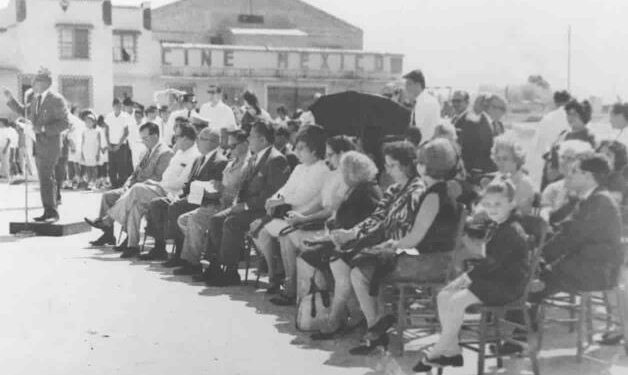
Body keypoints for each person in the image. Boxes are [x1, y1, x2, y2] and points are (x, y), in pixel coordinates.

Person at [345, 140, 461, 355]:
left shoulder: (433, 196)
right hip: (439, 261)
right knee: (374, 263)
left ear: (423, 166)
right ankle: (381, 322)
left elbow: (414, 237)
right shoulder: (443, 191)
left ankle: (377, 326)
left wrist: (391, 244)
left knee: (362, 271)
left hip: (431, 265)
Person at [413, 179, 529, 372]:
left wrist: (463, 280)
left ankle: (436, 352)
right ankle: (452, 352)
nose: (492, 209)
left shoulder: (511, 230)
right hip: (493, 280)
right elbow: (487, 265)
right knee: (444, 295)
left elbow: (490, 265)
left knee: (457, 300)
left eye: (498, 204)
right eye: (489, 204)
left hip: (507, 287)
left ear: (511, 203)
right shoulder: (499, 225)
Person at [298, 150, 382, 339]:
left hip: (357, 245)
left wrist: (331, 237)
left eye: (344, 171)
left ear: (353, 173)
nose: (342, 175)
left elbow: (359, 225)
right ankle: (350, 313)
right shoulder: (359, 188)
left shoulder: (366, 192)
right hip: (346, 241)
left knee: (337, 267)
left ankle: (335, 320)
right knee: (313, 255)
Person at [205, 121, 291, 286]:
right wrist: (238, 202)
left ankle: (230, 271)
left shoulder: (276, 160)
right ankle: (215, 266)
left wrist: (244, 206)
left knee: (232, 223)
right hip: (247, 207)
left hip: (264, 211)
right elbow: (243, 187)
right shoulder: (255, 157)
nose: (249, 139)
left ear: (263, 140)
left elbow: (271, 194)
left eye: (251, 136)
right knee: (216, 219)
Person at [252, 125, 330, 304]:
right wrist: (274, 198)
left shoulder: (321, 169)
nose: (297, 151)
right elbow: (286, 188)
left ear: (315, 149)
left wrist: (280, 200)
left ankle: (290, 287)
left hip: (309, 221)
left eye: (302, 148)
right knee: (259, 231)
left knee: (283, 236)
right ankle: (275, 273)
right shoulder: (300, 168)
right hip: (292, 217)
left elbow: (305, 194)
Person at [107, 124, 200, 258]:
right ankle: (132, 246)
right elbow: (166, 175)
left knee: (137, 188)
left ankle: (109, 219)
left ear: (186, 138)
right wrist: (157, 183)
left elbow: (181, 183)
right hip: (162, 188)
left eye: (177, 136)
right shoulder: (179, 152)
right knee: (135, 206)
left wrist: (160, 183)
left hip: (172, 194)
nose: (174, 139)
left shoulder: (193, 155)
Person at [170, 129, 249, 275]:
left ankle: (194, 262)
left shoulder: (246, 164)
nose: (230, 150)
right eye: (229, 146)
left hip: (225, 205)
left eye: (234, 146)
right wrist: (217, 186)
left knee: (194, 219)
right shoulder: (233, 162)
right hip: (217, 201)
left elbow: (240, 191)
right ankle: (198, 255)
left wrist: (219, 189)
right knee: (183, 220)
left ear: (245, 144)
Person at [141, 128, 228, 262]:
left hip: (204, 201)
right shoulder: (199, 159)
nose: (197, 141)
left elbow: (215, 189)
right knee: (157, 203)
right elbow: (188, 184)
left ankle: (180, 253)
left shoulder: (220, 161)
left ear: (213, 142)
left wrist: (183, 198)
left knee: (176, 207)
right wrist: (179, 195)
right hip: (189, 197)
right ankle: (159, 247)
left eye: (201, 139)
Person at [85, 122, 174, 246]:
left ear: (155, 136)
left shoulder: (165, 153)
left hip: (148, 191)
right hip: (133, 187)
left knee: (132, 199)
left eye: (145, 138)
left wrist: (134, 187)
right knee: (107, 196)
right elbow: (135, 173)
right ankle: (108, 234)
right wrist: (127, 184)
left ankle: (112, 224)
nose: (143, 141)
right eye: (141, 138)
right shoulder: (147, 151)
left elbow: (158, 177)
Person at [3, 67, 69, 222]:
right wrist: (10, 99)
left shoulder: (56, 99)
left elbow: (65, 123)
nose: (32, 83)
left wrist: (44, 128)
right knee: (45, 178)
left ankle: (51, 211)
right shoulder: (36, 99)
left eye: (36, 81)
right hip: (38, 145)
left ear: (45, 83)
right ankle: (49, 211)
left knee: (46, 177)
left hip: (51, 145)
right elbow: (24, 111)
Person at [541, 99, 596, 190]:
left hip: (575, 183)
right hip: (554, 182)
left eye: (574, 114)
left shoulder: (589, 137)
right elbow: (553, 159)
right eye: (568, 114)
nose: (570, 118)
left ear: (583, 115)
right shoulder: (563, 134)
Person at [539, 140, 593, 225]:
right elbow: (545, 210)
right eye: (563, 157)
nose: (564, 161)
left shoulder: (586, 190)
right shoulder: (553, 187)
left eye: (570, 159)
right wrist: (546, 214)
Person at [528, 91, 571, 188]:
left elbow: (538, 145)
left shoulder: (548, 118)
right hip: (569, 163)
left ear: (555, 102)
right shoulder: (575, 117)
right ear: (569, 101)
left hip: (551, 162)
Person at [489, 135, 536, 214]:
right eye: (498, 158)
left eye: (505, 159)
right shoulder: (498, 179)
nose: (500, 162)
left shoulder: (524, 183)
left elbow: (517, 212)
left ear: (516, 159)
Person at [455, 94, 496, 177]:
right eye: (481, 102)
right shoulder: (463, 118)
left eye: (485, 103)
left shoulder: (486, 121)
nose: (483, 104)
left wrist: (477, 167)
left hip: (479, 167)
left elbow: (487, 145)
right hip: (464, 164)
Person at [403, 69, 441, 144]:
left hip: (422, 147)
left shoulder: (424, 102)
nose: (406, 88)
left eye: (409, 84)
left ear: (418, 85)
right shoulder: (424, 100)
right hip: (427, 145)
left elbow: (416, 132)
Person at [104, 98, 133, 188]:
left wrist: (118, 145)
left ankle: (122, 185)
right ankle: (113, 184)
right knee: (112, 166)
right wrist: (108, 144)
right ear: (113, 106)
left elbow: (126, 132)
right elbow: (106, 131)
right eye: (116, 106)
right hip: (111, 144)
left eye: (120, 106)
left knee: (122, 166)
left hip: (121, 145)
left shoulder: (125, 116)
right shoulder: (109, 116)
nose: (118, 107)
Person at [81, 113, 103, 190]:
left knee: (94, 168)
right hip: (86, 152)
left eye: (90, 121)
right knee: (88, 168)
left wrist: (98, 153)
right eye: (86, 121)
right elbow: (82, 143)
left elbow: (99, 143)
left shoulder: (97, 132)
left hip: (94, 151)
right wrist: (82, 153)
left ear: (93, 122)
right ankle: (89, 182)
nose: (88, 123)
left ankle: (94, 183)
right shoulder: (84, 131)